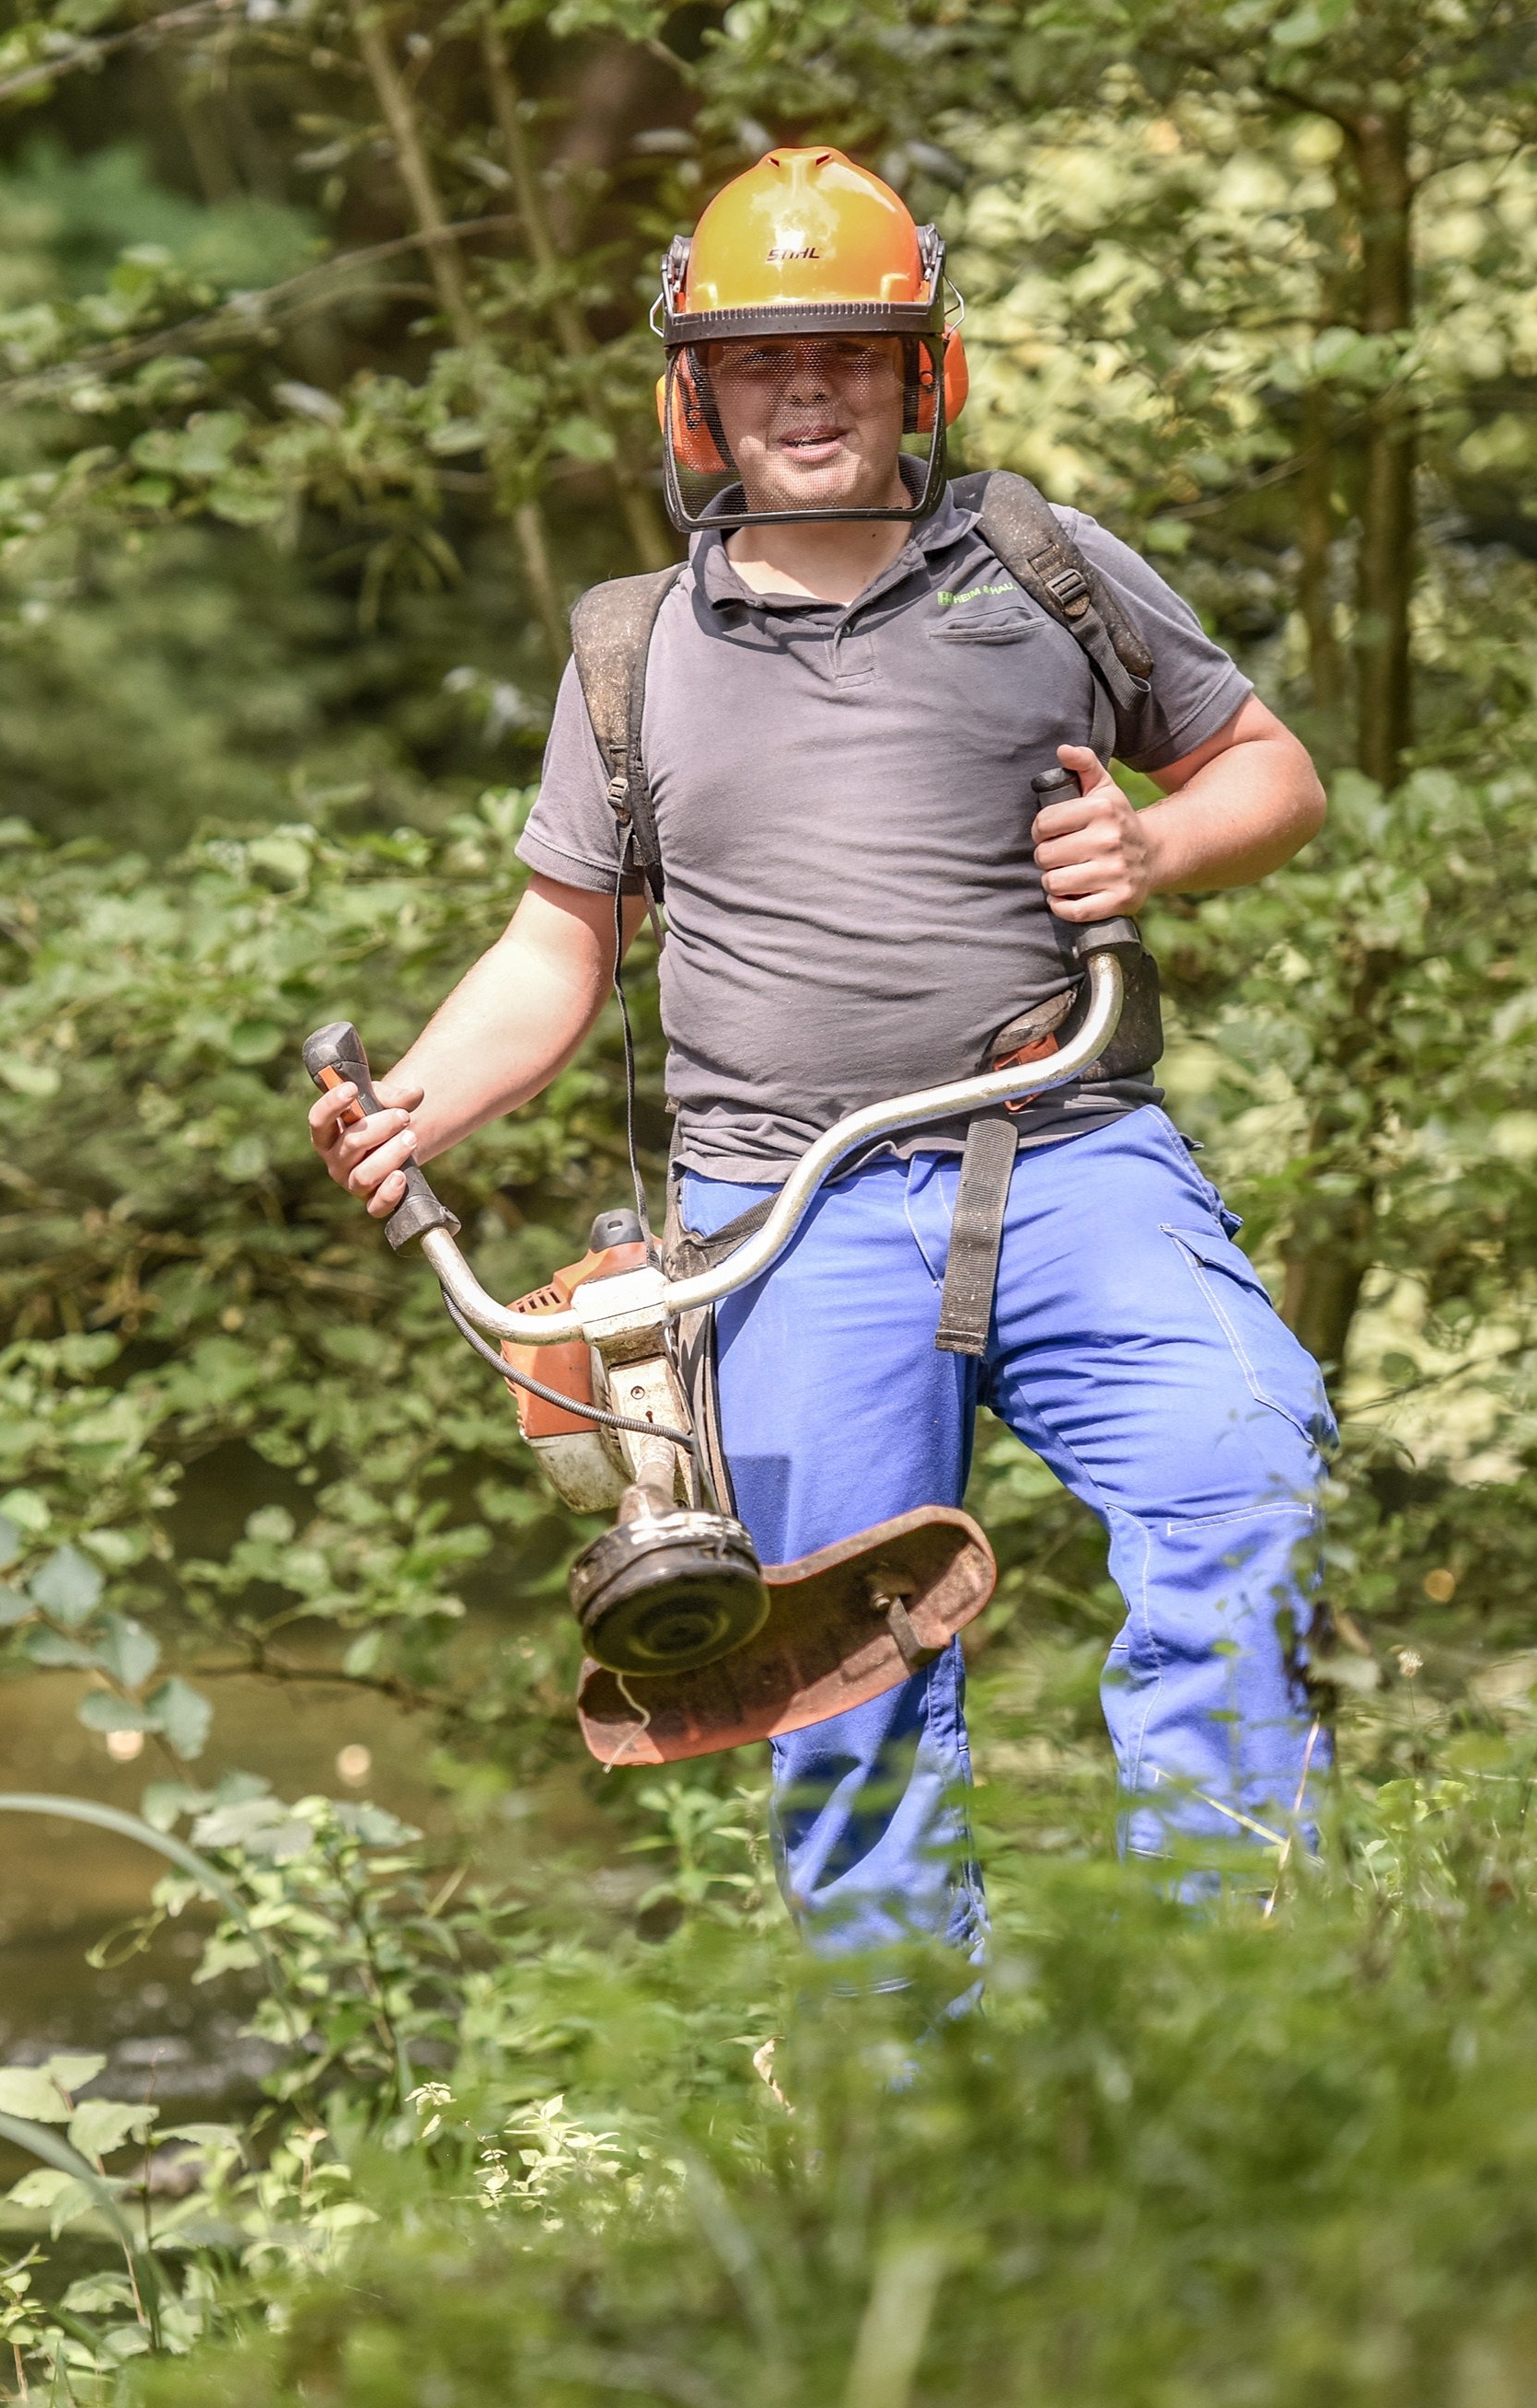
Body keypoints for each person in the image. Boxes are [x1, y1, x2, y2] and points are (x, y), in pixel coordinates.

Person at [306, 148, 1335, 1951]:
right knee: (837, 1688)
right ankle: (906, 2109)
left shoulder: (1040, 565)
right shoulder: (630, 651)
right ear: (691, 394)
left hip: (1070, 1148)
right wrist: (409, 1107)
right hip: (779, 1210)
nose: (806, 389)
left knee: (1240, 1466)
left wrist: (1156, 847)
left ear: (916, 377)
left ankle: (1231, 2000)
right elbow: (560, 951)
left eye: (846, 354)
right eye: (763, 357)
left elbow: (1269, 773)